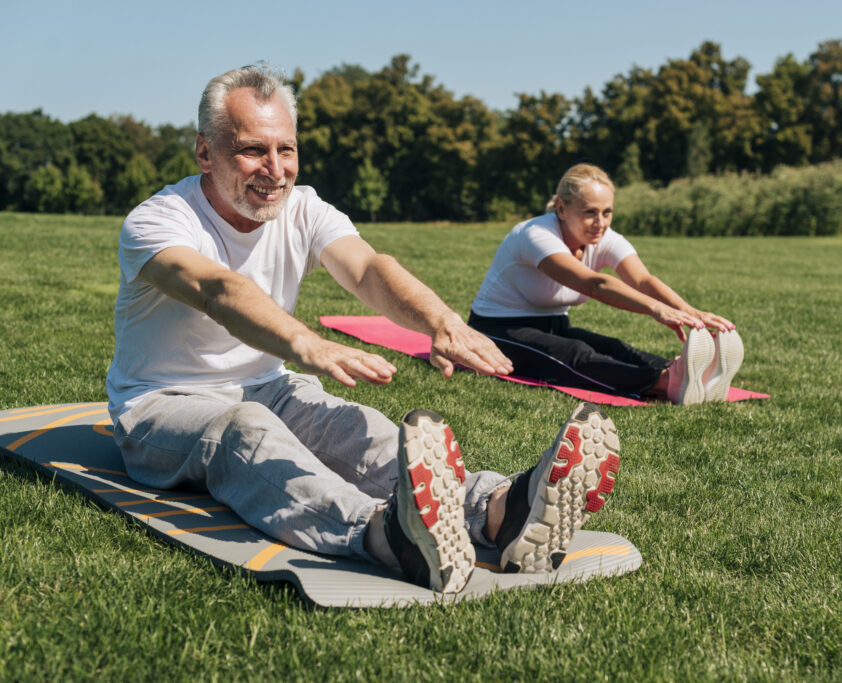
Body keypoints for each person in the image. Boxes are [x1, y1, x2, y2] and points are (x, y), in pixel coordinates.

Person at [105, 64, 620, 594]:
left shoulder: (302, 208)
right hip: (161, 404)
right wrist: (305, 343)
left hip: (270, 388)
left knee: (355, 428)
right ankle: (384, 533)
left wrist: (440, 322)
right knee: (244, 432)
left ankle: (498, 512)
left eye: (286, 149)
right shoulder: (159, 220)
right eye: (252, 150)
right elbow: (218, 290)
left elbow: (369, 268)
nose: (275, 169)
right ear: (205, 153)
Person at [468, 163, 744, 406]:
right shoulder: (535, 235)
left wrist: (691, 312)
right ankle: (663, 382)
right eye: (590, 212)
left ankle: (684, 373)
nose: (600, 223)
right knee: (574, 354)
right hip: (496, 330)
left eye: (607, 212)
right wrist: (655, 309)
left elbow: (642, 279)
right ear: (561, 208)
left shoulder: (604, 237)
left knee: (614, 347)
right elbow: (594, 284)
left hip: (553, 325)